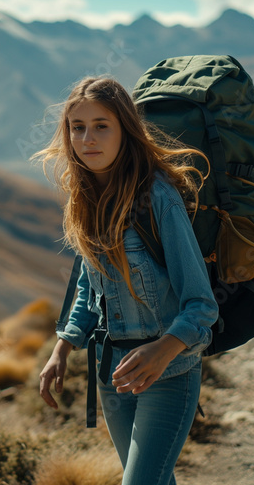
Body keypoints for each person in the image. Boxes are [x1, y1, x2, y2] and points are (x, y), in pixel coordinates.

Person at [33, 76, 219, 485]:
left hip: (170, 372)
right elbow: (89, 288)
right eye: (77, 127)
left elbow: (202, 305)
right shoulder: (85, 200)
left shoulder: (158, 197)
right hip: (112, 374)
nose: (87, 138)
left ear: (125, 130)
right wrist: (62, 349)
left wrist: (163, 350)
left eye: (102, 125)